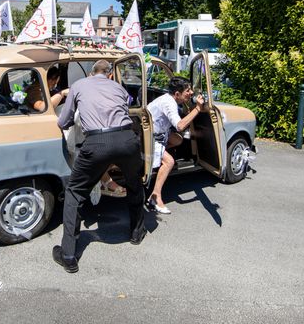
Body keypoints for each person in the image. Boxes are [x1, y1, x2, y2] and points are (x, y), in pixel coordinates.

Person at [53, 60, 146, 273]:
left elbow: (63, 121)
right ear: (110, 75)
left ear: (92, 73)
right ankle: (136, 232)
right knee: (134, 183)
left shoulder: (78, 86)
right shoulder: (119, 88)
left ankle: (68, 254)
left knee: (75, 192)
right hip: (127, 139)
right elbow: (126, 107)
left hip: (96, 142)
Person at [146, 77, 207, 214]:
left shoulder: (170, 99)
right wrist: (197, 109)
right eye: (188, 90)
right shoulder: (169, 103)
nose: (191, 93)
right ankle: (155, 197)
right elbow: (180, 126)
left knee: (178, 140)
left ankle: (155, 155)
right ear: (177, 94)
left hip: (158, 133)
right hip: (149, 137)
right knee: (169, 162)